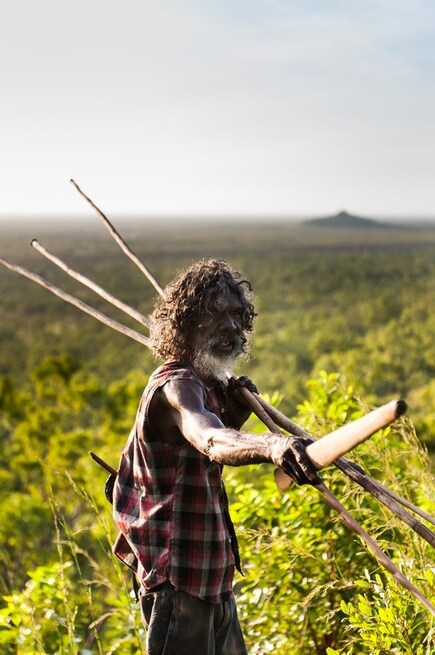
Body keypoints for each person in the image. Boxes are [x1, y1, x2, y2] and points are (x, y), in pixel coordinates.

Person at [112, 259, 320, 655]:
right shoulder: (177, 387)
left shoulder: (210, 387)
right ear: (187, 324)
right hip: (178, 587)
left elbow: (208, 447)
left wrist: (235, 414)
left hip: (213, 579)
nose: (231, 326)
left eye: (237, 316)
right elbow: (209, 438)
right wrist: (272, 446)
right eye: (216, 314)